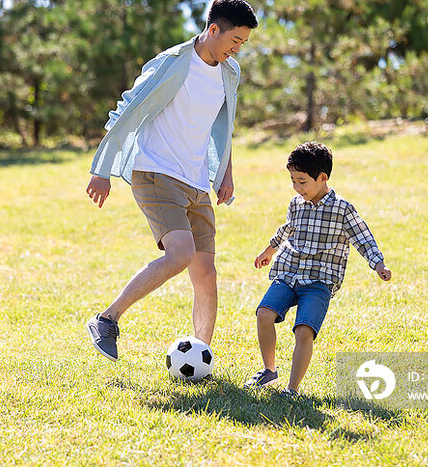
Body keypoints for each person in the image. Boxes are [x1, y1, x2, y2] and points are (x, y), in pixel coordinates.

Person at [85, 0, 259, 362]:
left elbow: (225, 125)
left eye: (242, 43)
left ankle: (201, 355)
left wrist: (225, 172)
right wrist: (103, 169)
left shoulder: (230, 72)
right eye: (235, 40)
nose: (237, 49)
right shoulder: (172, 63)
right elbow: (129, 107)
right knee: (180, 254)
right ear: (214, 30)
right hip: (155, 171)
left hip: (194, 181)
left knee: (206, 274)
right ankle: (106, 319)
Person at [244, 141, 392, 395]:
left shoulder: (342, 209)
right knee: (264, 314)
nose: (296, 187)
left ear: (322, 178)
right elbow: (287, 229)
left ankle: (291, 389)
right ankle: (269, 371)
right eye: (293, 180)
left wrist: (378, 263)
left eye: (302, 181)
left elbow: (363, 238)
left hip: (319, 281)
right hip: (289, 273)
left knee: (304, 330)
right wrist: (269, 250)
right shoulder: (296, 203)